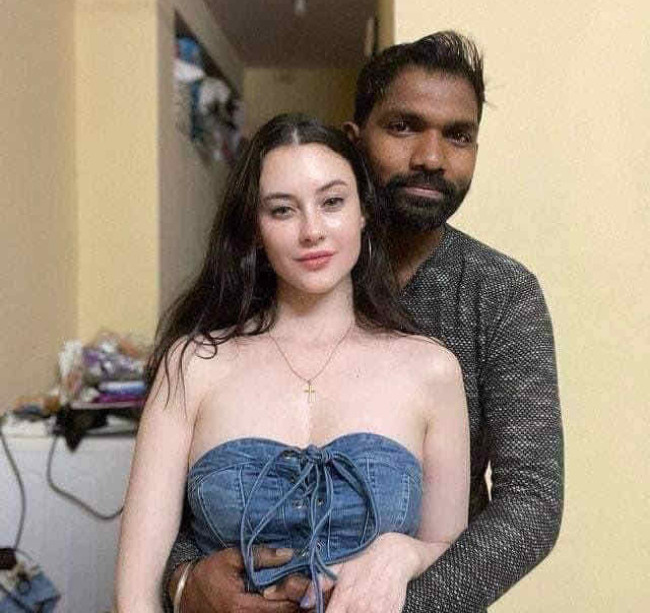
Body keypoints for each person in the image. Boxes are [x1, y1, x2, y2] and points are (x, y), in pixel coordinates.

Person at [164, 31, 563, 613]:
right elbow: (187, 483)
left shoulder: (500, 293)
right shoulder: (268, 274)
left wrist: (390, 595)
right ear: (354, 141)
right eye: (403, 126)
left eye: (458, 135)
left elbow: (533, 503)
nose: (431, 157)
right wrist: (185, 581)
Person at [115, 113, 471, 613]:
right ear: (255, 229)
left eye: (332, 202)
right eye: (282, 210)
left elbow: (453, 562)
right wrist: (186, 584)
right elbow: (134, 597)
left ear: (363, 212)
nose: (311, 231)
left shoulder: (432, 370)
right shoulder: (193, 365)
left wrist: (405, 553)